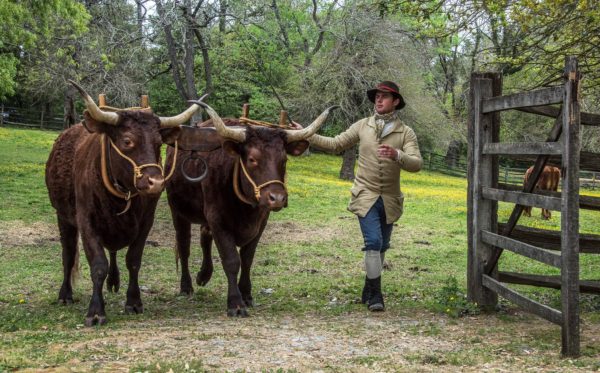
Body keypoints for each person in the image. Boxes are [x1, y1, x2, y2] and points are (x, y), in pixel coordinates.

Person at [299, 81, 423, 311]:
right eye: (377, 96)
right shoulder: (362, 126)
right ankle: (376, 295)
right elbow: (335, 144)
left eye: (384, 96)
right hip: (365, 195)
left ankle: (368, 288)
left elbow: (416, 164)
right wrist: (307, 134)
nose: (378, 99)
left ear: (395, 101)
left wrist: (397, 155)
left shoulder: (406, 132)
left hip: (391, 199)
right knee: (373, 242)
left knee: (383, 245)